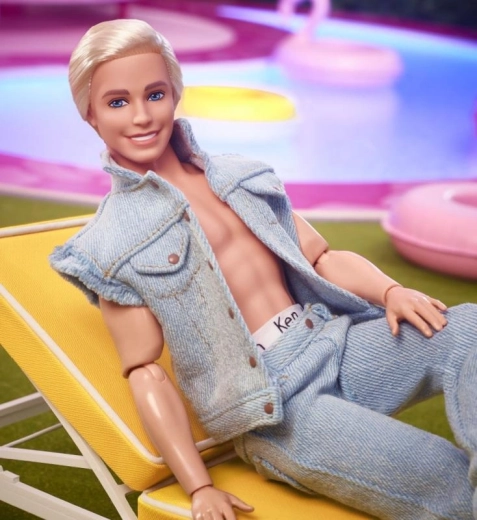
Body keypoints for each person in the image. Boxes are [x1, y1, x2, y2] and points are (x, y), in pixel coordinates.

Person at [50, 18, 477, 520]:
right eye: (117, 102)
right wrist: (198, 486)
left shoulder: (241, 174)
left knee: (468, 328)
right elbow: (145, 372)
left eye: (155, 94)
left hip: (333, 342)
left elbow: (319, 257)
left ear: (175, 94)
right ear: (90, 113)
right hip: (276, 407)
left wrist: (390, 291)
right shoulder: (110, 242)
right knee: (442, 476)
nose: (142, 116)